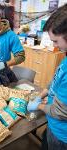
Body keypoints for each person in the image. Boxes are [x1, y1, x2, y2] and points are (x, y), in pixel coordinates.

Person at [27, 4, 67, 150]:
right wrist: (43, 93)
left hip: (61, 136)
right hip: (52, 126)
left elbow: (61, 112)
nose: (53, 45)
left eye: (56, 41)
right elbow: (56, 80)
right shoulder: (66, 55)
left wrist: (38, 105)